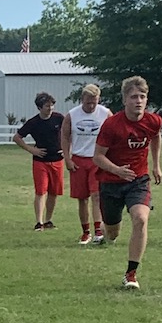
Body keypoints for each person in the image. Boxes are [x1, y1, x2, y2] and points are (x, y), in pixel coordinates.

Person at [93, 76, 162, 290]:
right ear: (124, 100)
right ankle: (106, 232)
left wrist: (156, 164)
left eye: (142, 96)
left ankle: (131, 274)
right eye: (133, 97)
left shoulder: (153, 121)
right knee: (112, 231)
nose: (138, 101)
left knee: (140, 219)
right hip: (111, 182)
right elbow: (97, 157)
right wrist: (117, 170)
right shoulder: (112, 125)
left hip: (138, 180)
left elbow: (156, 136)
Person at [61, 84, 112, 245]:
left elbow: (114, 135)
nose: (91, 106)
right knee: (82, 198)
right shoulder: (72, 115)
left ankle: (98, 230)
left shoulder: (105, 114)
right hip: (79, 159)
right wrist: (67, 159)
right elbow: (64, 136)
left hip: (97, 159)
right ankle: (85, 232)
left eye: (94, 102)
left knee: (97, 195)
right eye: (88, 102)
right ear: (82, 99)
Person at [12, 93, 64, 231]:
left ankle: (48, 220)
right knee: (41, 191)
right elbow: (17, 137)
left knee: (54, 192)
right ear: (39, 107)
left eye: (52, 105)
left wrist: (67, 149)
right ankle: (39, 222)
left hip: (57, 160)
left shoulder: (59, 118)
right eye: (47, 106)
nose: (50, 108)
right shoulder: (33, 122)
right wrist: (31, 149)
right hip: (40, 162)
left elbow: (69, 132)